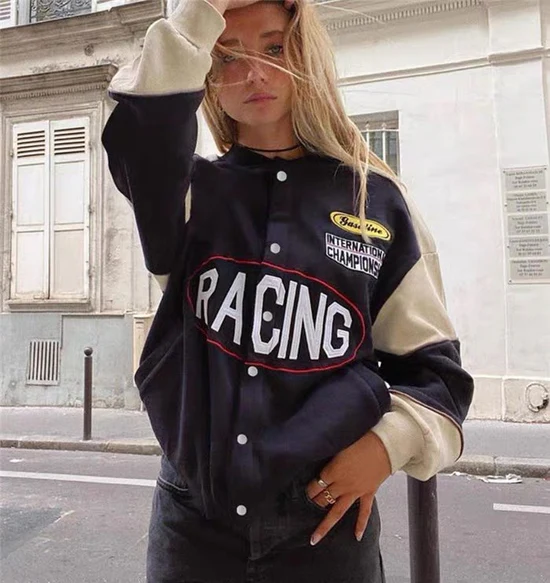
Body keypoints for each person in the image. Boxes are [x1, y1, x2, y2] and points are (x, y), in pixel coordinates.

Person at [101, 0, 474, 581]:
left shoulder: (375, 202)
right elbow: (138, 132)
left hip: (325, 524)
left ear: (305, 54)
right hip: (193, 526)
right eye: (228, 57)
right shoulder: (187, 193)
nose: (254, 73)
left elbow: (438, 378)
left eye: (274, 48)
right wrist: (201, 12)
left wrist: (383, 448)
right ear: (206, 76)